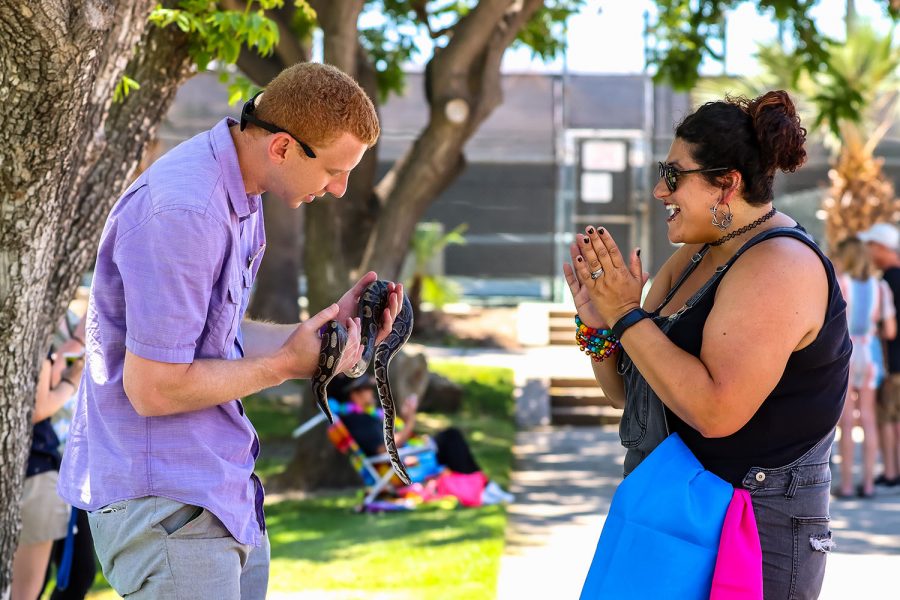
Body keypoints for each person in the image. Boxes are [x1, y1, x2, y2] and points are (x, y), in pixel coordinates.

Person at [57, 62, 404, 600]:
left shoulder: (240, 193)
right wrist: (283, 366)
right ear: (283, 148)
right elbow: (153, 388)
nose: (340, 190)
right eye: (334, 170)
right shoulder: (186, 210)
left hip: (217, 496)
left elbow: (211, 340)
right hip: (168, 507)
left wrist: (325, 337)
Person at [564, 90, 850, 598]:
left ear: (726, 185)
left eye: (674, 175)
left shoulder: (779, 266)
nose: (658, 190)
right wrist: (599, 323)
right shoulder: (697, 254)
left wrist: (627, 315)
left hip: (751, 531)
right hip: (671, 511)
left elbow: (717, 413)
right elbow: (632, 396)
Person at [333, 374, 513, 505]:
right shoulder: (356, 420)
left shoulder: (368, 416)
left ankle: (484, 488)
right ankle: (484, 489)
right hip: (400, 470)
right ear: (354, 395)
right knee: (451, 438)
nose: (371, 392)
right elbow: (385, 449)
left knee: (451, 440)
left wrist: (405, 420)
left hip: (404, 460)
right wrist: (411, 420)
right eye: (365, 389)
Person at [12, 321, 85, 600]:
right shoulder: (31, 329)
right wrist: (71, 381)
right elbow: (38, 408)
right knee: (25, 593)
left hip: (40, 469)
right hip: (36, 471)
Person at [833, 237, 896, 499]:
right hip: (870, 354)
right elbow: (890, 330)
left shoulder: (841, 284)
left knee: (847, 423)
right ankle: (868, 484)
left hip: (845, 353)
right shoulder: (881, 287)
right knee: (868, 419)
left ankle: (847, 486)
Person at [859, 222, 900, 487]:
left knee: (888, 417)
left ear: (883, 248)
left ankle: (891, 472)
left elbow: (890, 330)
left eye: (872, 247)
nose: (869, 253)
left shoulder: (887, 281)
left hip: (893, 362)